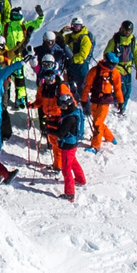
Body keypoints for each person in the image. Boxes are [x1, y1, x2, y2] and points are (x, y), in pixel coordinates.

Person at [34, 64, 86, 197]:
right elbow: (60, 128)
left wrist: (48, 130)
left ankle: (69, 193)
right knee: (73, 162)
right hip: (70, 145)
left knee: (66, 170)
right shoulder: (69, 114)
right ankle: (80, 180)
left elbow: (61, 132)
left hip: (67, 145)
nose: (61, 108)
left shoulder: (69, 118)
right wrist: (49, 125)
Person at [84, 59, 121, 150]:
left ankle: (95, 146)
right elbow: (87, 86)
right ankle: (110, 137)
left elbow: (117, 88)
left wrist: (121, 101)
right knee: (97, 121)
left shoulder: (114, 73)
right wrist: (84, 99)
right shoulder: (94, 71)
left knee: (97, 123)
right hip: (95, 99)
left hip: (106, 100)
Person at [104, 22, 137, 111]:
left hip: (128, 69)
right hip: (117, 68)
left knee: (128, 91)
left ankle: (122, 109)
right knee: (122, 90)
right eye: (125, 30)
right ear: (121, 29)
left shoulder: (133, 41)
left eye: (128, 31)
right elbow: (107, 53)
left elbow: (136, 55)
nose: (126, 33)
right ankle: (110, 102)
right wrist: (110, 66)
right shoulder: (115, 41)